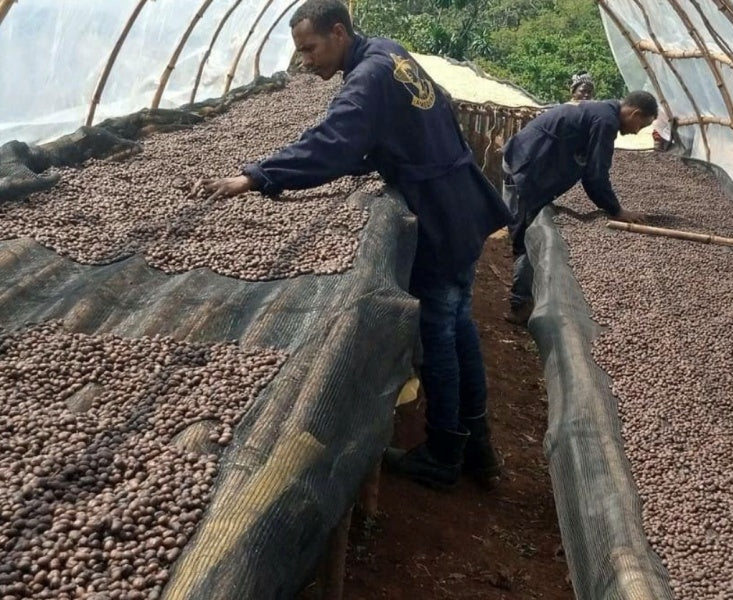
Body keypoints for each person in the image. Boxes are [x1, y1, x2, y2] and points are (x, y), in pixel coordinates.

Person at [193, 0, 509, 490]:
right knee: (458, 320)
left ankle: (446, 451)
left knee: (439, 331)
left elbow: (332, 143)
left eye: (310, 48)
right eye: (299, 51)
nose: (305, 60)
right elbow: (419, 117)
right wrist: (379, 155)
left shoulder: (366, 79)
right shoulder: (388, 52)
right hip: (460, 198)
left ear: (338, 33)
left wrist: (255, 176)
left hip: (441, 212)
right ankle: (479, 445)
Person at [501, 91, 658, 325]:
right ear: (634, 113)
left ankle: (522, 296)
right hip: (527, 169)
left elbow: (589, 169)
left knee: (526, 230)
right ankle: (519, 305)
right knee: (527, 238)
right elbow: (595, 174)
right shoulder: (605, 120)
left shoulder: (602, 111)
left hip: (528, 162)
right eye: (641, 124)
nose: (637, 131)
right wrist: (616, 210)